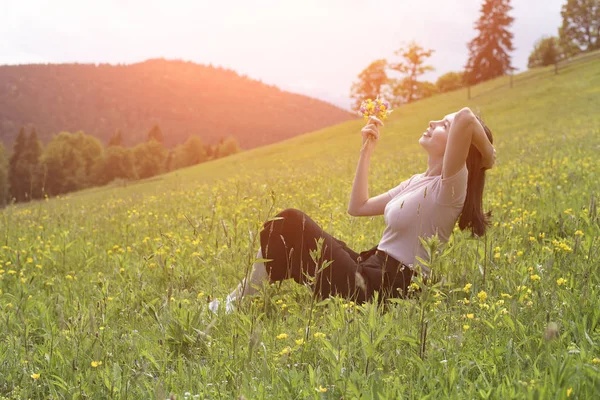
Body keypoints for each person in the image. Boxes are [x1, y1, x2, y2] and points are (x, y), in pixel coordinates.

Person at [209, 107, 496, 313]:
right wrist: (366, 151)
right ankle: (240, 298)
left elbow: (466, 118)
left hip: (382, 290)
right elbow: (357, 207)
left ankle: (237, 302)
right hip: (367, 268)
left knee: (290, 220)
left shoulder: (450, 190)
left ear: (463, 146)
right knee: (281, 226)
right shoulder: (417, 182)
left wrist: (488, 155)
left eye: (444, 126)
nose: (433, 122)